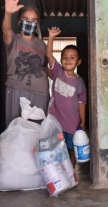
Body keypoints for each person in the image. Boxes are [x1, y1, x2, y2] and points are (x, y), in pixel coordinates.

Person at [2, 0, 50, 126]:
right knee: (16, 131)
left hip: (41, 93)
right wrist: (8, 13)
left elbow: (46, 67)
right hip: (17, 90)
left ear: (38, 24)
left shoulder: (41, 44)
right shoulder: (14, 40)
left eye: (34, 21)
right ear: (19, 21)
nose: (30, 23)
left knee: (37, 132)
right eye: (26, 19)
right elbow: (6, 30)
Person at [46, 27, 87, 168]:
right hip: (55, 122)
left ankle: (71, 174)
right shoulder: (57, 72)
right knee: (56, 149)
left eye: (72, 58)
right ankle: (59, 174)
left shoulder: (79, 82)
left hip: (72, 124)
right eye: (64, 57)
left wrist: (83, 122)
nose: (68, 60)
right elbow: (49, 55)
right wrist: (51, 37)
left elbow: (82, 103)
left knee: (71, 149)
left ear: (78, 62)